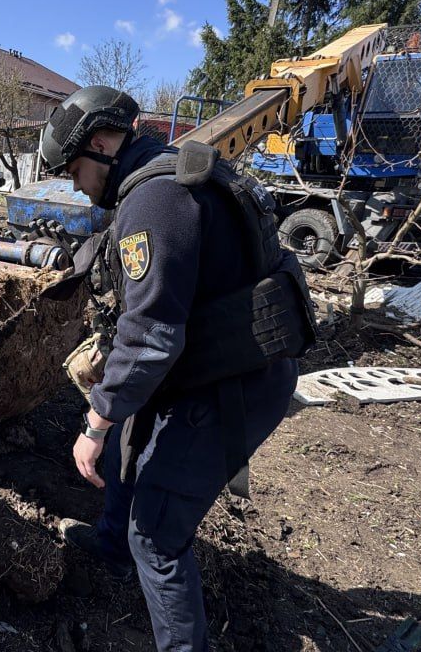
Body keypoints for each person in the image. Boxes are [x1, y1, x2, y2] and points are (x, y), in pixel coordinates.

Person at [38, 86, 315, 652]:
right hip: (208, 360)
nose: (74, 184)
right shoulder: (162, 177)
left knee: (157, 534)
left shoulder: (155, 201)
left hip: (230, 383)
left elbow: (152, 336)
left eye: (73, 170)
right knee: (128, 447)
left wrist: (95, 421)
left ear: (100, 145)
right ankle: (112, 547)